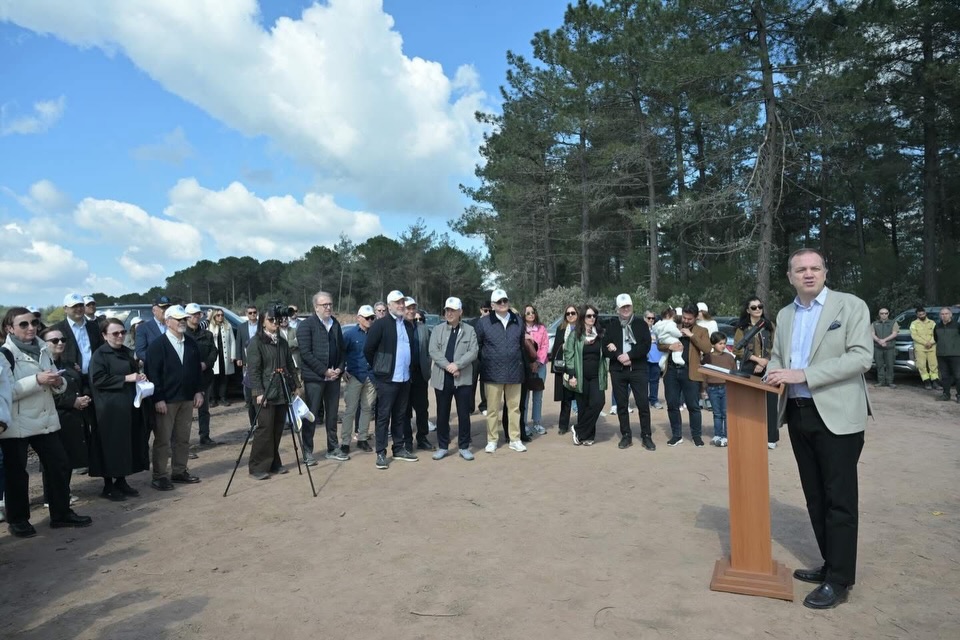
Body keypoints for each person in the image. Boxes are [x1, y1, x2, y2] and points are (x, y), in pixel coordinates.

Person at [766, 248, 872, 610]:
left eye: (815, 268)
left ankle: (840, 580)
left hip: (837, 416)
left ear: (825, 272)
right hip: (797, 414)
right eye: (801, 269)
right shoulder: (785, 314)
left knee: (839, 499)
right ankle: (830, 563)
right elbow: (779, 358)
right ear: (790, 277)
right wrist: (772, 372)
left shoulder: (850, 306)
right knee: (815, 496)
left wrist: (804, 374)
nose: (808, 274)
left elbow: (861, 357)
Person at [1, 307, 92, 537]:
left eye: (33, 323)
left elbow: (54, 382)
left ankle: (61, 513)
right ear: (10, 328)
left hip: (45, 419)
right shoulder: (4, 354)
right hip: (17, 424)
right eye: (23, 324)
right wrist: (37, 379)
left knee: (59, 465)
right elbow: (6, 391)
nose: (31, 328)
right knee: (16, 474)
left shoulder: (43, 348)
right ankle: (18, 520)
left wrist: (59, 383)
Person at [88, 318, 149, 500]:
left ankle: (121, 480)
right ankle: (108, 485)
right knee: (110, 446)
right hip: (109, 408)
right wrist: (125, 378)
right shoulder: (100, 355)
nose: (120, 336)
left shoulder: (125, 351)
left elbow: (132, 373)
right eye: (115, 333)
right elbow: (97, 379)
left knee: (126, 443)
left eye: (123, 332)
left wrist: (139, 377)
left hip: (128, 405)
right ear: (104, 335)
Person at [145, 305, 204, 491]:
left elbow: (196, 370)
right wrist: (158, 398)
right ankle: (160, 476)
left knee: (182, 438)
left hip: (186, 398)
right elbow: (152, 374)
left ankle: (179, 471)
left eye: (184, 319)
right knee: (163, 440)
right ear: (167, 321)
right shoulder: (157, 346)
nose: (182, 322)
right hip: (166, 401)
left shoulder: (191, 343)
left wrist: (198, 391)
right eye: (178, 319)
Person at [364, 290, 418, 469]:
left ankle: (398, 448)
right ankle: (381, 452)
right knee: (383, 417)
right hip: (386, 379)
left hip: (404, 378)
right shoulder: (380, 325)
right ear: (389, 306)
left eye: (402, 302)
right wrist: (380, 368)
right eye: (397, 302)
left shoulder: (408, 325)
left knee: (400, 416)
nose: (401, 305)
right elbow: (368, 349)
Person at [245, 308, 299, 480]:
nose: (275, 322)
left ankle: (274, 463)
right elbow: (253, 371)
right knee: (265, 429)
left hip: (281, 390)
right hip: (266, 392)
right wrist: (259, 393)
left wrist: (295, 385)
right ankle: (257, 467)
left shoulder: (281, 341)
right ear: (263, 322)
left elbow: (290, 364)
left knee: (277, 428)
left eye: (277, 319)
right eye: (271, 319)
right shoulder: (256, 342)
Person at [474, 289, 528, 454]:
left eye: (505, 300)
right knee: (492, 410)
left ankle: (515, 439)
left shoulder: (518, 321)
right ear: (492, 305)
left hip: (514, 372)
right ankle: (492, 440)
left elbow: (521, 345)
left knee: (514, 408)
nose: (503, 304)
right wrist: (487, 360)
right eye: (499, 302)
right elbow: (478, 346)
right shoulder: (483, 323)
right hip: (492, 373)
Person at [39, 327, 90, 500]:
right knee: (53, 459)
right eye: (54, 340)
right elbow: (43, 394)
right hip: (52, 417)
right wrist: (72, 402)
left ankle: (63, 492)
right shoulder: (41, 366)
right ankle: (51, 497)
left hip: (72, 417)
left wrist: (84, 397)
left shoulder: (68, 363)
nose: (60, 343)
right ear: (44, 344)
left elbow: (81, 381)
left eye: (63, 340)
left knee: (67, 457)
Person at [297, 291, 346, 464]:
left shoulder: (335, 324)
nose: (328, 307)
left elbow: (342, 350)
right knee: (311, 415)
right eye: (324, 305)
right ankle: (307, 452)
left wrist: (340, 368)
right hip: (314, 379)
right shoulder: (306, 325)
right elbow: (305, 353)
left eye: (330, 304)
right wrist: (324, 371)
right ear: (316, 307)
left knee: (332, 415)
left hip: (334, 378)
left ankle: (333, 448)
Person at [428, 297, 479, 460]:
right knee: (442, 414)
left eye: (453, 310)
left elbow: (473, 351)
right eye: (447, 310)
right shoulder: (437, 330)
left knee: (464, 414)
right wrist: (448, 366)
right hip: (442, 378)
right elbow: (433, 350)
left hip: (462, 379)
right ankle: (443, 446)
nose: (449, 313)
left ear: (460, 312)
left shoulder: (469, 330)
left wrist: (457, 365)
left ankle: (464, 446)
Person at [604, 294, 655, 451]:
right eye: (622, 307)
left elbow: (645, 345)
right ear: (617, 309)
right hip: (618, 370)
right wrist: (618, 355)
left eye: (628, 306)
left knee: (642, 403)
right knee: (621, 404)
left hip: (637, 369)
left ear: (632, 307)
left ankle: (646, 435)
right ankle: (626, 435)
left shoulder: (641, 324)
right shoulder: (612, 326)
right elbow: (605, 348)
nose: (625, 309)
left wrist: (630, 355)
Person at [660, 305, 712, 447]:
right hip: (671, 371)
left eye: (689, 319)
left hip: (690, 372)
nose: (686, 321)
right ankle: (676, 435)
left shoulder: (702, 331)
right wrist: (669, 347)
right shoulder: (673, 327)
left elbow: (707, 348)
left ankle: (696, 436)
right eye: (684, 317)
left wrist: (691, 335)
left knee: (693, 406)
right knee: (672, 404)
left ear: (696, 318)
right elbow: (660, 343)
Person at [733, 296, 779, 449]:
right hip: (749, 367)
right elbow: (737, 350)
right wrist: (757, 360)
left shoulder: (769, 326)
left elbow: (777, 346)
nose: (758, 309)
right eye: (754, 307)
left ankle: (771, 438)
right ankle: (750, 434)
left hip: (769, 367)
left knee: (771, 403)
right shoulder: (742, 328)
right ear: (748, 310)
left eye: (760, 306)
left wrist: (765, 361)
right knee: (750, 403)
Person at [563, 304, 608, 446]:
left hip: (597, 375)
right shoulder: (575, 335)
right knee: (583, 407)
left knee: (598, 402)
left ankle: (578, 429)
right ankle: (586, 436)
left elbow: (606, 351)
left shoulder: (600, 334)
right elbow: (568, 355)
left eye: (594, 315)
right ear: (583, 317)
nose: (592, 318)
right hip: (580, 376)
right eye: (589, 316)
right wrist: (572, 375)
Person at [341, 306, 377, 453]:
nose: (370, 320)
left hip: (371, 376)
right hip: (354, 375)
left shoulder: (375, 334)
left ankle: (362, 438)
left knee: (367, 409)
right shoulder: (349, 335)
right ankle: (345, 442)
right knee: (350, 410)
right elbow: (341, 353)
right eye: (367, 318)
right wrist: (342, 369)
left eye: (372, 318)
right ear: (359, 318)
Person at [184, 303, 217, 446]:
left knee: (204, 409)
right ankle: (184, 441)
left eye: (198, 314)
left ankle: (205, 436)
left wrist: (206, 364)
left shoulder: (207, 335)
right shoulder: (182, 335)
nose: (197, 317)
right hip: (187, 379)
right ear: (187, 316)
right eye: (194, 314)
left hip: (205, 377)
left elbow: (213, 352)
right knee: (185, 412)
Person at [404, 298, 434, 451]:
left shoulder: (423, 328)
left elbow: (430, 349)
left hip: (419, 374)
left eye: (413, 308)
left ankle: (422, 438)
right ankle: (407, 441)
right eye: (408, 308)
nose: (411, 311)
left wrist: (427, 366)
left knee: (422, 409)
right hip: (403, 376)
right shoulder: (398, 327)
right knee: (405, 411)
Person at [550, 304, 578, 436]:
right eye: (568, 313)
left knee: (581, 397)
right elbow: (556, 348)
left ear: (577, 314)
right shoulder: (561, 329)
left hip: (579, 367)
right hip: (564, 367)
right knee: (566, 399)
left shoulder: (582, 328)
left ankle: (582, 424)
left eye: (573, 313)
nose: (570, 315)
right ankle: (563, 425)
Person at [520, 304, 548, 435]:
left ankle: (537, 422)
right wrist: (529, 363)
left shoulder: (542, 328)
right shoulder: (520, 329)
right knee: (524, 396)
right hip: (525, 367)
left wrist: (537, 362)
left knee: (538, 395)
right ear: (523, 315)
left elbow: (545, 346)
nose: (531, 315)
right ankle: (524, 423)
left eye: (532, 312)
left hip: (540, 366)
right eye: (528, 313)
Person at [704, 332, 735, 446]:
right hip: (712, 388)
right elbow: (703, 373)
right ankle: (718, 434)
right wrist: (703, 389)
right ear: (713, 344)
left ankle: (726, 436)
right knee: (716, 413)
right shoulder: (707, 357)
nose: (723, 346)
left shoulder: (729, 357)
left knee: (726, 413)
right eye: (720, 343)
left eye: (724, 343)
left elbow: (734, 372)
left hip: (726, 387)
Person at [236, 304, 260, 428]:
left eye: (254, 312)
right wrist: (239, 357)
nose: (252, 315)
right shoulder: (242, 327)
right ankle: (248, 402)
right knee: (248, 385)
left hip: (260, 360)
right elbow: (238, 342)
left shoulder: (262, 325)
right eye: (250, 313)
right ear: (246, 314)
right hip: (247, 361)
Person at [207, 308, 237, 407]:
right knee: (213, 378)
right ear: (214, 316)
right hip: (214, 356)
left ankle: (223, 398)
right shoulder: (209, 326)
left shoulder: (228, 325)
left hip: (225, 355)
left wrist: (233, 355)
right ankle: (213, 399)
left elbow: (232, 341)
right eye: (218, 315)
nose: (220, 317)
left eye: (222, 315)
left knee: (224, 377)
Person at [467, 302, 491, 415]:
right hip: (474, 357)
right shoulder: (473, 323)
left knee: (485, 383)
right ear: (481, 310)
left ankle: (484, 406)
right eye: (486, 310)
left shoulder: (494, 322)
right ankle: (469, 407)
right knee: (471, 382)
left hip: (487, 357)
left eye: (490, 311)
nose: (488, 313)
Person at [909, 307, 940, 390]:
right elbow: (914, 336)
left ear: (925, 313)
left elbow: (936, 334)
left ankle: (935, 381)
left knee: (933, 364)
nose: (922, 316)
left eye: (923, 314)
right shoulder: (914, 324)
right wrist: (925, 343)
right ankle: (926, 381)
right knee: (921, 365)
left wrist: (931, 342)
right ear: (917, 315)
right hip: (920, 347)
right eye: (920, 315)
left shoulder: (932, 323)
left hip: (932, 346)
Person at [934, 307, 960, 402]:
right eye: (942, 314)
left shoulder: (957, 326)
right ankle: (946, 394)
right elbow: (936, 339)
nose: (944, 316)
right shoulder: (937, 326)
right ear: (940, 316)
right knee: (945, 376)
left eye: (946, 314)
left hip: (956, 355)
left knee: (958, 376)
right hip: (941, 355)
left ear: (951, 315)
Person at [871, 308, 899, 388]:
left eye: (886, 313)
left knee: (890, 365)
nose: (884, 315)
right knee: (879, 365)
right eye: (882, 313)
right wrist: (879, 341)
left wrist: (884, 340)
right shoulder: (874, 323)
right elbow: (872, 334)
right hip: (878, 347)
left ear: (888, 314)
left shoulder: (893, 323)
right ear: (879, 314)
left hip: (889, 347)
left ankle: (890, 382)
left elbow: (894, 334)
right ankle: (881, 381)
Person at [644, 311, 664, 410]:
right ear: (644, 318)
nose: (651, 320)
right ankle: (643, 401)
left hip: (656, 359)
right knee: (643, 381)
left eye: (653, 318)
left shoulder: (657, 330)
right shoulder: (641, 330)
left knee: (655, 381)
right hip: (645, 359)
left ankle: (654, 400)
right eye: (649, 318)